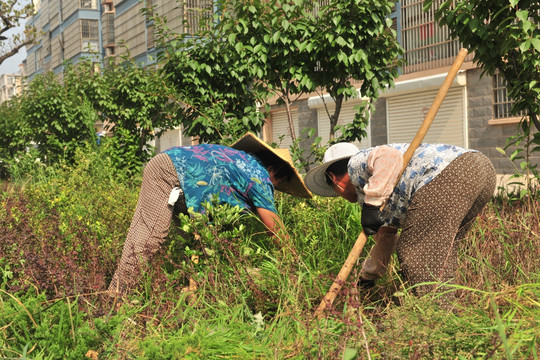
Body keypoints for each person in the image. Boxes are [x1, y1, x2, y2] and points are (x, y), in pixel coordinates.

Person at [108, 132, 312, 295]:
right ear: (274, 171)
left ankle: (184, 299)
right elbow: (275, 229)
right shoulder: (259, 176)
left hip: (178, 175)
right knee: (150, 236)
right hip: (169, 172)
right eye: (278, 185)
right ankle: (116, 297)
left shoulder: (244, 162)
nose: (273, 189)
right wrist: (293, 263)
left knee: (192, 245)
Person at [304, 142, 496, 305]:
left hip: (453, 172)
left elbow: (389, 156)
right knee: (441, 250)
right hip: (480, 169)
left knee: (416, 251)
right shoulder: (382, 186)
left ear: (333, 178)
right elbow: (386, 237)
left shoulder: (355, 164)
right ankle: (446, 309)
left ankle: (436, 315)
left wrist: (372, 204)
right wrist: (368, 278)